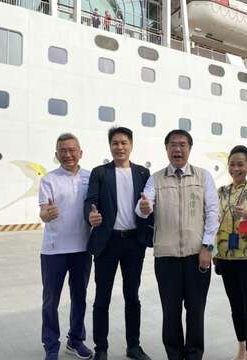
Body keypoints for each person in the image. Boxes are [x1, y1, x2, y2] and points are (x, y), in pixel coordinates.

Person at [136, 129, 219, 360]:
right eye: (173, 145)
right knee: (170, 313)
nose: (177, 149)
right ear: (166, 149)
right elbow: (143, 208)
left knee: (196, 311)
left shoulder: (203, 177)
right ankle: (174, 355)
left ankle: (193, 356)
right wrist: (144, 209)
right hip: (166, 258)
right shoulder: (155, 179)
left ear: (190, 148)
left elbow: (213, 213)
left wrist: (207, 247)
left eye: (182, 145)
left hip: (197, 256)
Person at [84, 127, 152, 360]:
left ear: (131, 145)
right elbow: (90, 201)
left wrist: (148, 209)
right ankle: (100, 348)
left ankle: (133, 345)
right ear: (110, 146)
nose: (119, 147)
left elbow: (150, 206)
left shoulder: (143, 173)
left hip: (134, 242)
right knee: (102, 297)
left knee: (132, 296)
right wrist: (90, 216)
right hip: (107, 243)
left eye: (124, 142)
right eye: (115, 143)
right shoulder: (100, 173)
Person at [39, 133, 93, 360]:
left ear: (80, 153)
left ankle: (75, 340)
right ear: (56, 154)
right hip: (54, 250)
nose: (68, 154)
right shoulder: (48, 180)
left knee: (79, 297)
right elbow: (43, 211)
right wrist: (46, 214)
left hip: (82, 248)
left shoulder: (91, 177)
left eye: (72, 150)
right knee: (51, 300)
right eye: (63, 150)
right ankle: (51, 345)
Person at [214, 145, 247, 360]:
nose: (236, 168)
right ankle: (241, 346)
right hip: (226, 258)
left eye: (241, 164)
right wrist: (214, 252)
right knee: (235, 306)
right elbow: (213, 219)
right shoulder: (221, 192)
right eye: (232, 164)